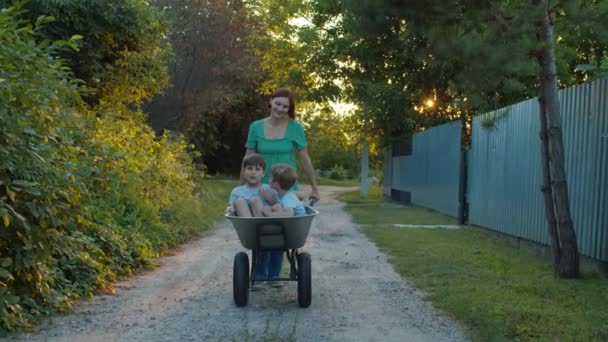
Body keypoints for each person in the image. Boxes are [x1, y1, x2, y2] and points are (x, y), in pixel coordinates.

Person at [242, 88, 320, 201]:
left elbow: (305, 160)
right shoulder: (256, 127)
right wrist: (241, 187)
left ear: (289, 109)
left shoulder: (296, 127)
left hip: (287, 186)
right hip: (260, 185)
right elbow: (247, 159)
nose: (280, 109)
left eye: (285, 107)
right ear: (270, 101)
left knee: (284, 214)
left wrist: (315, 189)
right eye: (277, 104)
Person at [226, 153, 276, 218]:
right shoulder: (237, 191)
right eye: (249, 168)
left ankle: (261, 226)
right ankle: (249, 226)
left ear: (263, 173)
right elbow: (230, 207)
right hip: (245, 221)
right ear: (244, 171)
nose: (253, 172)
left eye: (257, 169)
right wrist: (230, 209)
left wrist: (269, 198)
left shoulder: (269, 188)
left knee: (255, 200)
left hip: (265, 221)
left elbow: (277, 206)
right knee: (239, 201)